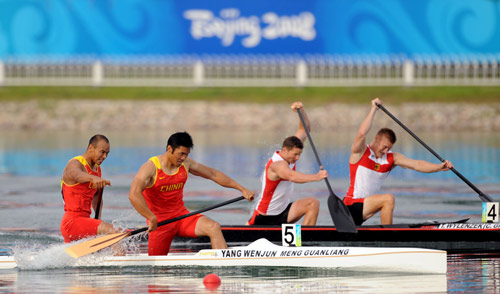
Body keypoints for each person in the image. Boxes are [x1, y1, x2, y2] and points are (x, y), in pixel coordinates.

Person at [128, 131, 255, 256]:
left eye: (186, 154)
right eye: (181, 154)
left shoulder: (186, 163)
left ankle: (224, 269)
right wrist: (150, 217)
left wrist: (241, 189)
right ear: (169, 148)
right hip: (160, 224)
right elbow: (134, 194)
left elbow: (213, 174)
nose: (183, 158)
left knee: (213, 227)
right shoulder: (151, 167)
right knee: (157, 268)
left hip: (182, 217)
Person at [344, 98, 454, 225]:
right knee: (388, 199)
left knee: (386, 201)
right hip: (350, 206)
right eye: (384, 147)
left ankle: (388, 233)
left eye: (389, 148)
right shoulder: (361, 152)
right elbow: (361, 134)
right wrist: (373, 109)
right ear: (376, 139)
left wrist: (439, 167)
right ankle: (390, 236)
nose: (386, 151)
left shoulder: (392, 158)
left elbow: (417, 165)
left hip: (365, 208)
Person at [246, 102, 328, 226]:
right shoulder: (277, 165)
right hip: (264, 218)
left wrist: (301, 111)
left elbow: (304, 129)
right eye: (295, 155)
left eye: (299, 154)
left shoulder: (290, 151)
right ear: (284, 150)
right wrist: (316, 177)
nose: (298, 158)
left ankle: (305, 241)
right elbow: (291, 176)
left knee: (313, 203)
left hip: (282, 212)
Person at [60, 134, 119, 242]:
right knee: (115, 233)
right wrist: (92, 178)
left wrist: (98, 222)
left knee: (108, 238)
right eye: (102, 152)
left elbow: (97, 197)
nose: (105, 156)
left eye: (107, 153)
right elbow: (75, 174)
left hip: (84, 222)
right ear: (91, 148)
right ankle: (120, 259)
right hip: (72, 222)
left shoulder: (97, 169)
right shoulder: (75, 164)